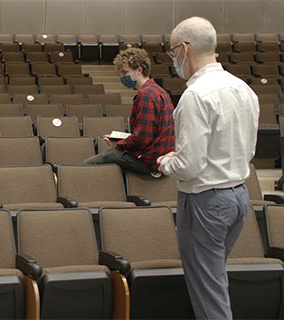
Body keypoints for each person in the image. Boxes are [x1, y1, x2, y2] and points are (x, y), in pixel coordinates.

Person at [157, 17, 259, 319]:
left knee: (209, 292)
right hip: (238, 198)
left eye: (173, 51)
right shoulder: (243, 89)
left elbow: (189, 166)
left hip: (206, 203)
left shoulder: (195, 96)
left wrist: (166, 162)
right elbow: (248, 151)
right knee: (212, 282)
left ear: (184, 49)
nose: (174, 58)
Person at [83, 48, 175, 176]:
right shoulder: (160, 91)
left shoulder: (146, 95)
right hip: (160, 156)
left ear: (139, 70)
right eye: (120, 74)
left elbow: (142, 139)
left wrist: (120, 144)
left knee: (87, 165)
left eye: (124, 72)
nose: (122, 77)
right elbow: (149, 133)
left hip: (149, 161)